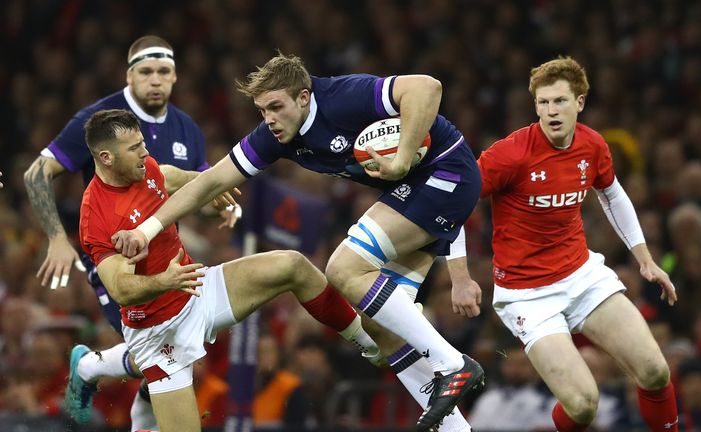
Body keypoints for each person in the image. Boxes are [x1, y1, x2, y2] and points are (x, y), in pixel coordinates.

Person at [112, 53, 485, 431]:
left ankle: (452, 364)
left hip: (445, 172)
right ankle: (455, 427)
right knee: (381, 326)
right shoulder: (276, 137)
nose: (268, 119)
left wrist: (403, 157)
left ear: (303, 97)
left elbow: (427, 86)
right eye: (262, 110)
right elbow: (208, 183)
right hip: (421, 193)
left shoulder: (343, 96)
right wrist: (145, 230)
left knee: (343, 268)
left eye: (276, 107)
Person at [78, 109, 379, 432]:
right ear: (106, 157)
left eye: (142, 143)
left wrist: (208, 190)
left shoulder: (142, 168)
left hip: (197, 289)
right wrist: (164, 280)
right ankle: (112, 392)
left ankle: (368, 343)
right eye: (134, 148)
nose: (145, 152)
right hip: (158, 331)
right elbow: (120, 288)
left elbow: (168, 175)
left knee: (293, 265)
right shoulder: (97, 215)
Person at [452, 57, 680, 432]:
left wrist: (646, 260)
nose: (550, 111)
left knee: (655, 371)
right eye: (543, 103)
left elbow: (613, 194)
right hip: (527, 295)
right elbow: (453, 204)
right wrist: (459, 277)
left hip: (582, 276)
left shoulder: (592, 145)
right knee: (583, 404)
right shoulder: (510, 154)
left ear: (580, 102)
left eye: (559, 101)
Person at [22, 35, 231, 429]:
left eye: (163, 72)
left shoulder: (186, 127)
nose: (155, 80)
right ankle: (89, 369)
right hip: (114, 255)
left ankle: (108, 385)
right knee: (157, 347)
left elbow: (194, 187)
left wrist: (224, 205)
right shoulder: (101, 119)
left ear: (175, 77)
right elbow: (36, 172)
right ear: (129, 76)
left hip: (167, 252)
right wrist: (55, 237)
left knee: (170, 351)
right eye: (146, 71)